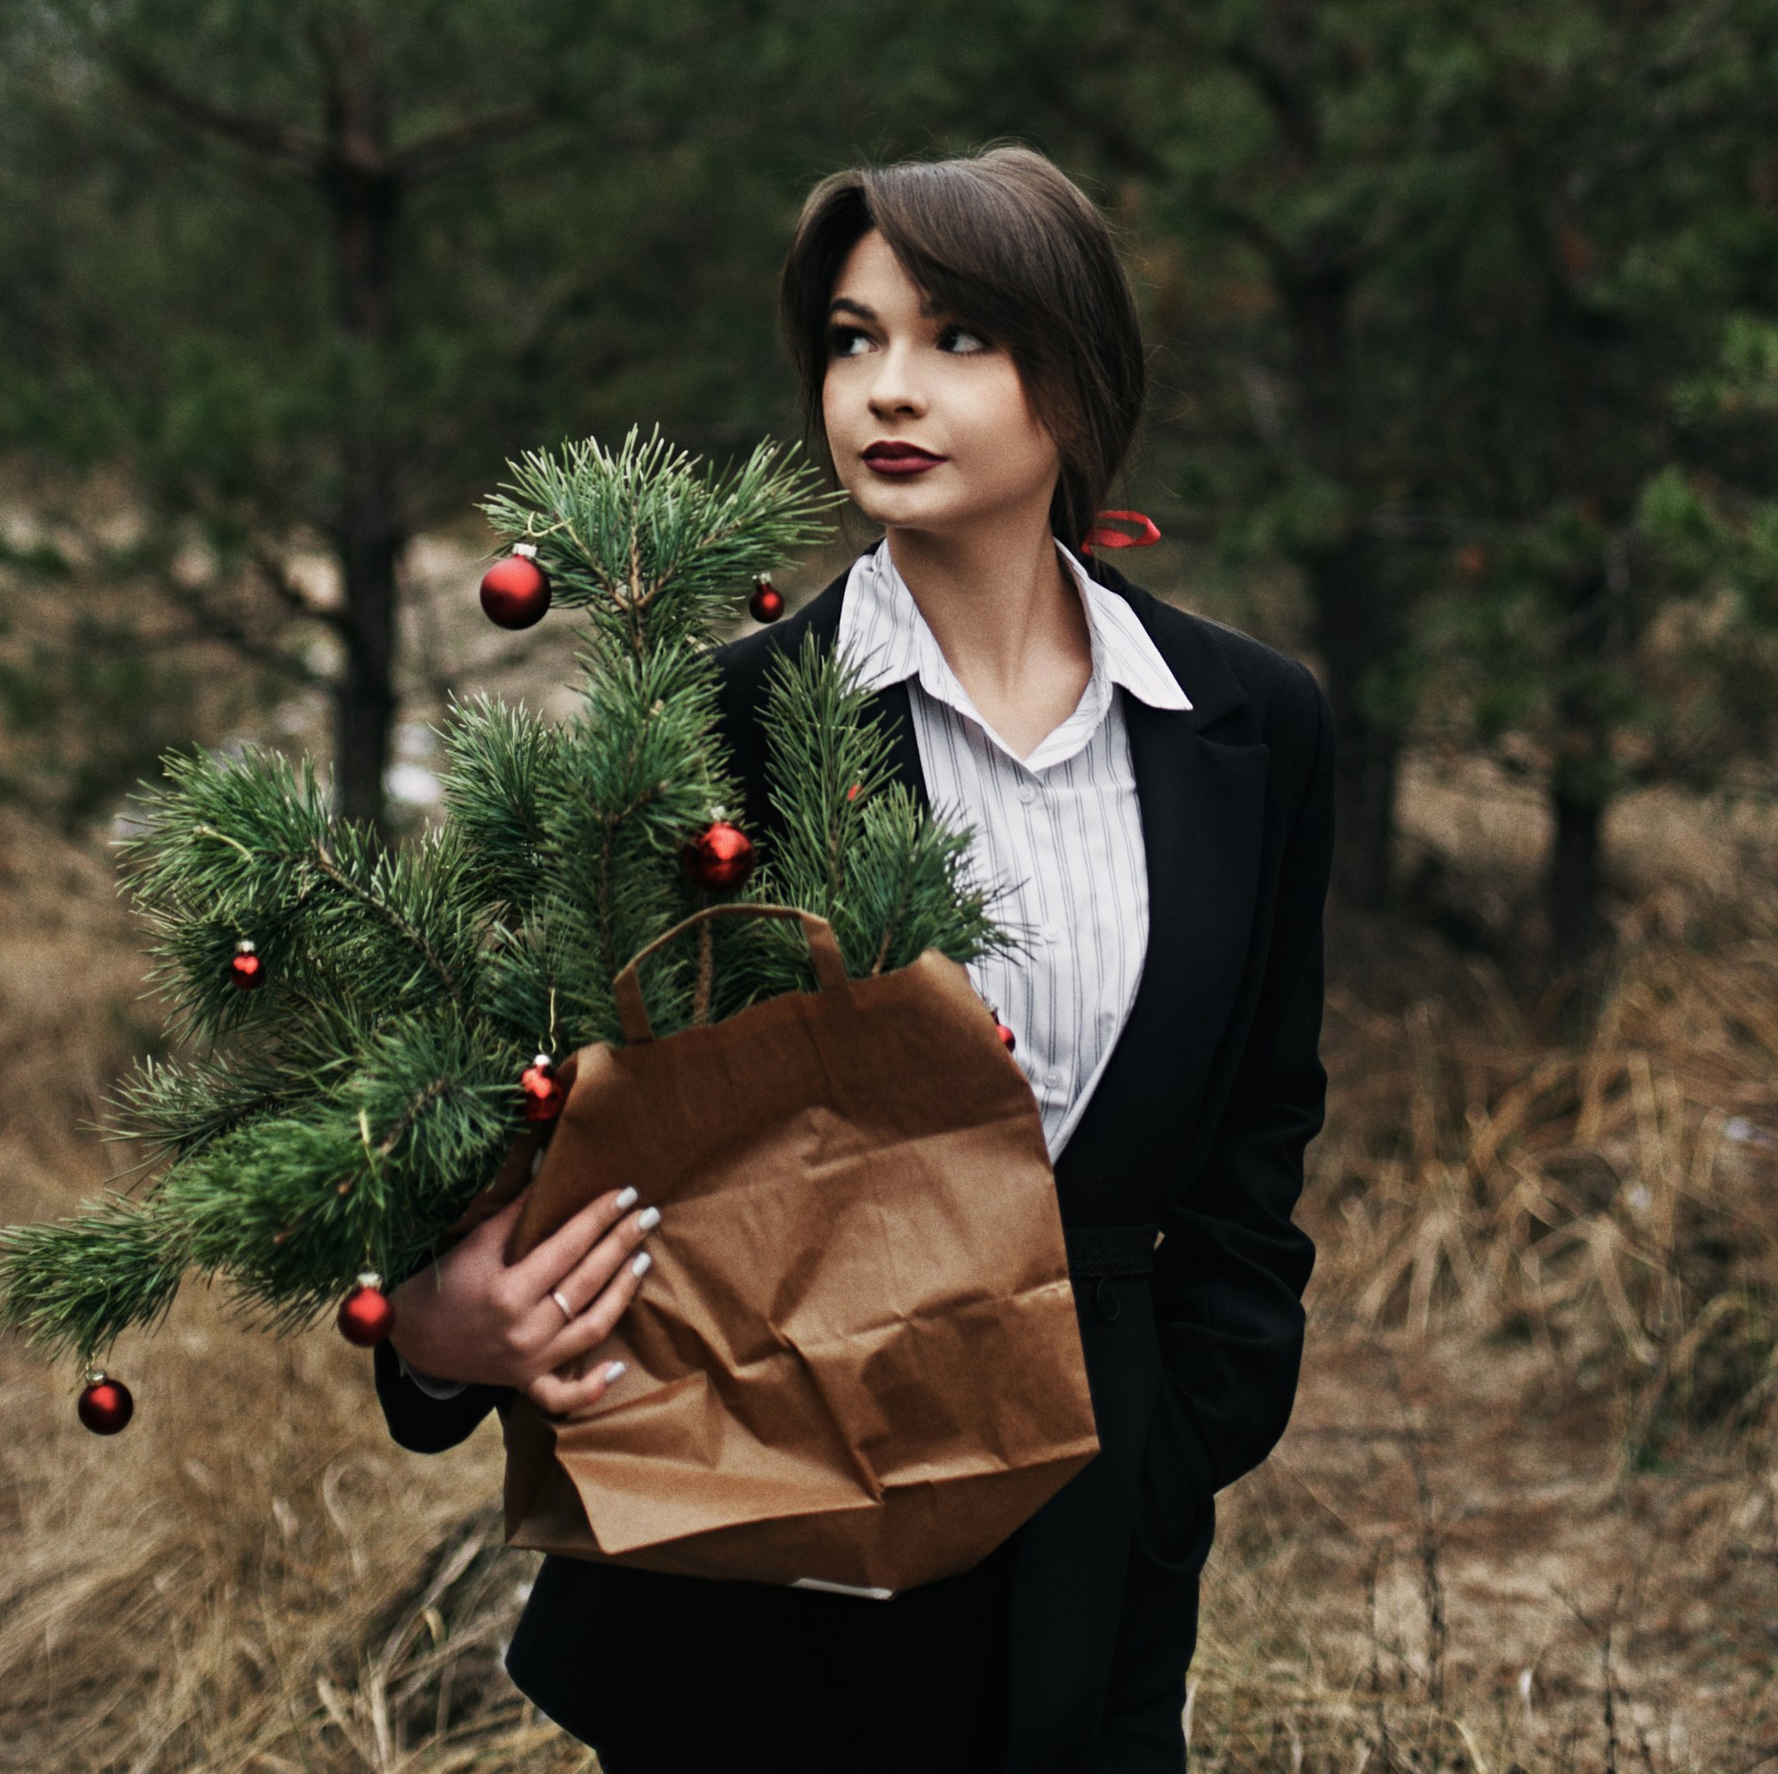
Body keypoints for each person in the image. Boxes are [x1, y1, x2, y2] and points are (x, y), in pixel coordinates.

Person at [369, 146, 1334, 1774]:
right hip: (761, 1547)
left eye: (957, 338)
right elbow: (511, 1113)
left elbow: (1260, 1134)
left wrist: (1178, 1447)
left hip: (1091, 1556)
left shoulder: (1252, 725)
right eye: (850, 336)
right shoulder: (720, 729)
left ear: (1078, 379)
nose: (886, 387)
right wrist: (437, 1329)